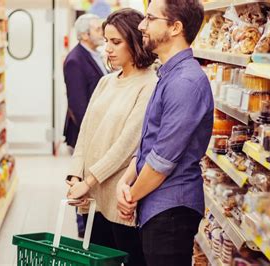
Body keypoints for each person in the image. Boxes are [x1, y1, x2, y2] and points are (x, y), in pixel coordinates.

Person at [116, 0, 214, 265]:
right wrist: (125, 182)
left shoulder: (185, 82)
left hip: (171, 211)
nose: (141, 25)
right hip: (157, 206)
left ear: (175, 27)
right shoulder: (169, 74)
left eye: (150, 18)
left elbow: (162, 160)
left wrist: (130, 196)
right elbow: (150, 142)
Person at [66, 8, 157, 266]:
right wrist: (75, 176)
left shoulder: (149, 84)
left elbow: (127, 144)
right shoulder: (106, 82)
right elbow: (85, 133)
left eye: (116, 42)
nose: (108, 48)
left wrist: (90, 180)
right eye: (106, 41)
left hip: (119, 200)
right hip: (91, 197)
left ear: (136, 41)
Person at [63, 13, 107, 237]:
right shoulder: (75, 60)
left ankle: (91, 221)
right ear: (84, 35)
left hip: (97, 132)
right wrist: (90, 138)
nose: (103, 32)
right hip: (84, 134)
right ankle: (83, 226)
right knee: (79, 178)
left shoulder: (96, 55)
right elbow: (78, 106)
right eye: (98, 29)